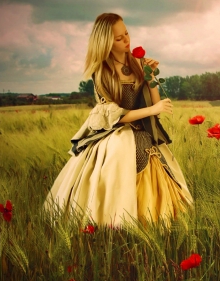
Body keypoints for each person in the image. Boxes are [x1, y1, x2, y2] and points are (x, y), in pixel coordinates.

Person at [45, 13, 193, 227]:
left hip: (142, 128)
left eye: (127, 33)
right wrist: (153, 109)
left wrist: (150, 77)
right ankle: (115, 221)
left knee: (153, 155)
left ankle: (154, 222)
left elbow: (155, 106)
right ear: (105, 42)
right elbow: (117, 117)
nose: (127, 40)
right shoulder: (101, 72)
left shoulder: (137, 63)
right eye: (119, 38)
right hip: (115, 132)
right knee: (116, 157)